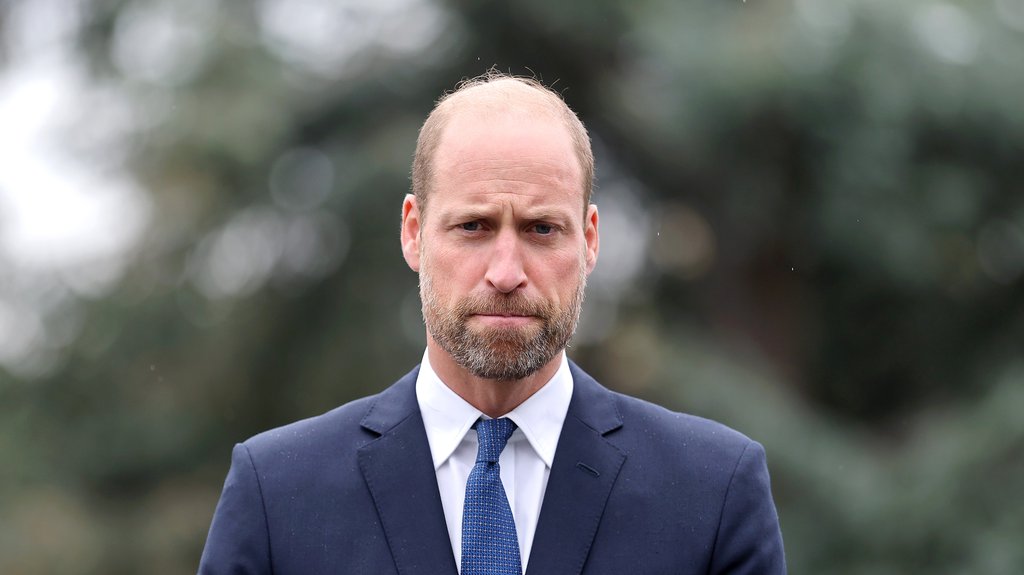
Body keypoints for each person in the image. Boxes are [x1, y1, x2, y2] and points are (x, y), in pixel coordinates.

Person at [198, 71, 786, 575]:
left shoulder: (712, 492)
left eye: (541, 229)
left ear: (589, 240)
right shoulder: (278, 495)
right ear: (413, 232)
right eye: (473, 227)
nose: (506, 273)